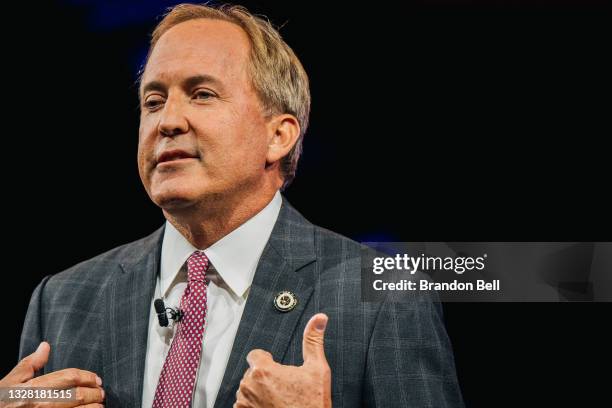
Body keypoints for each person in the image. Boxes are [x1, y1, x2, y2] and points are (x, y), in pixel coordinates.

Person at [7, 3, 463, 407]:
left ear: (278, 135)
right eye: (153, 100)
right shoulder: (63, 298)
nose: (167, 121)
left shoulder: (382, 295)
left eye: (202, 94)